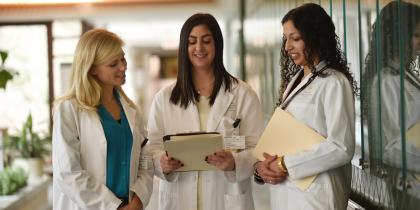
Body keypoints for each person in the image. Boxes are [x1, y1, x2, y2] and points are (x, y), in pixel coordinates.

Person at [148, 13, 264, 210]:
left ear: (217, 45)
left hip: (227, 197)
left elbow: (259, 148)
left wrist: (235, 162)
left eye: (206, 41)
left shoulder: (243, 94)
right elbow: (151, 147)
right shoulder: (164, 99)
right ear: (184, 47)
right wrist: (162, 163)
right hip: (179, 198)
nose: (199, 48)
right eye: (192, 42)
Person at [254, 3, 357, 210]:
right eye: (286, 39)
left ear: (315, 37)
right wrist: (263, 166)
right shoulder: (297, 80)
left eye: (296, 38)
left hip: (317, 196)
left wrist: (285, 164)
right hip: (287, 191)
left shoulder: (334, 82)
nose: (287, 47)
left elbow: (341, 147)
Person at [52, 29, 153, 210]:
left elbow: (145, 159)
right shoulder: (69, 109)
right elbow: (68, 173)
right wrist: (114, 207)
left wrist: (140, 197)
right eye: (113, 63)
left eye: (122, 59)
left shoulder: (131, 111)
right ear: (92, 69)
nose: (123, 67)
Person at [363, 1, 420, 208]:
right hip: (409, 189)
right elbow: (390, 149)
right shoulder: (385, 81)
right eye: (416, 35)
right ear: (398, 36)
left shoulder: (405, 75)